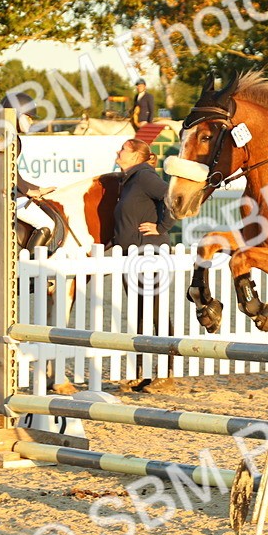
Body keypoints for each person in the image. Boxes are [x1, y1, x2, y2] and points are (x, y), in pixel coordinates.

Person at [112, 139, 173, 390]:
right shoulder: (128, 180)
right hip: (133, 255)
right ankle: (144, 372)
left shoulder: (145, 177)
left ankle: (168, 373)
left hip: (150, 253)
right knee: (140, 313)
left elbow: (172, 197)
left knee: (155, 312)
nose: (118, 152)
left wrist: (161, 227)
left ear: (137, 155)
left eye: (123, 149)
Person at [8, 97, 57, 251]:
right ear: (17, 115)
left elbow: (14, 173)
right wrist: (29, 191)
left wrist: (38, 189)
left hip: (7, 190)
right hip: (5, 194)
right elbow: (7, 172)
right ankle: (29, 267)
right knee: (47, 224)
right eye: (28, 117)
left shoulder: (7, 136)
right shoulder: (9, 138)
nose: (30, 122)